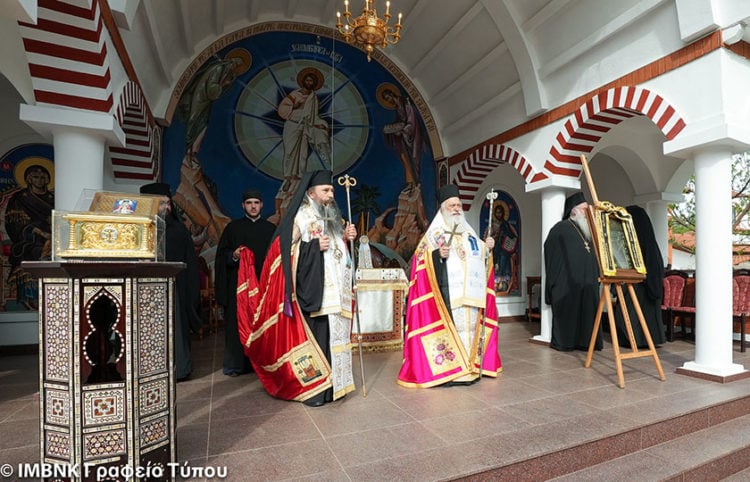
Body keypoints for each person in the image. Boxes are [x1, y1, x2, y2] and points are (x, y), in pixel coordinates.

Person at [236, 170, 357, 406]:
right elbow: (282, 253)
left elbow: (339, 253)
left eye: (332, 190)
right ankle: (315, 391)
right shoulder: (300, 217)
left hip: (336, 294)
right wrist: (311, 247)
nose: (331, 195)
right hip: (314, 291)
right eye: (326, 190)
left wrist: (347, 237)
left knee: (335, 340)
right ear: (311, 193)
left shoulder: (334, 218)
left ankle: (335, 387)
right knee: (319, 339)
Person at [397, 184, 502, 387]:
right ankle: (451, 370)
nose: (456, 209)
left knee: (470, 332)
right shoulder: (435, 234)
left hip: (470, 296)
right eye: (451, 205)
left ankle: (471, 366)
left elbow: (481, 257)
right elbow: (419, 261)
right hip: (447, 296)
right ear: (443, 208)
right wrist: (437, 255)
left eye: (458, 205)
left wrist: (487, 248)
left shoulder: (469, 234)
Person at [140, 182, 202, 381]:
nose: (166, 208)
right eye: (161, 203)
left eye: (168, 204)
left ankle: (179, 370)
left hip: (174, 290)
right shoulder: (136, 228)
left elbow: (190, 263)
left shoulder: (178, 230)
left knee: (175, 330)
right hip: (142, 292)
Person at [215, 189, 275, 377]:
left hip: (264, 287)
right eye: (249, 203)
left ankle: (264, 364)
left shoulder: (271, 229)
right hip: (239, 288)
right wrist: (233, 255)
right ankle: (236, 364)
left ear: (262, 205)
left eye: (256, 202)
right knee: (237, 323)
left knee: (263, 324)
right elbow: (220, 257)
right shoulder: (232, 229)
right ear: (243, 206)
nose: (253, 206)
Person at [544, 191, 602, 352]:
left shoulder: (587, 232)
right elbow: (551, 257)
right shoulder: (560, 230)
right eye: (584, 210)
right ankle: (565, 342)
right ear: (574, 211)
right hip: (566, 286)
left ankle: (587, 343)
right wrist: (554, 284)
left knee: (588, 314)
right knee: (570, 315)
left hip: (588, 284)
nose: (587, 214)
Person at [612, 205, 666, 347]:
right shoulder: (646, 242)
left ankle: (638, 340)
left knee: (633, 313)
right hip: (641, 283)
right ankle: (642, 339)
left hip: (640, 284)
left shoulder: (643, 243)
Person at [5, 164, 54, 309]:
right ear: (28, 179)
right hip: (28, 238)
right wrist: (39, 232)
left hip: (53, 236)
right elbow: (15, 224)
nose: (40, 180)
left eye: (43, 177)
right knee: (36, 251)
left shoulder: (53, 198)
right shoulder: (20, 199)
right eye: (36, 177)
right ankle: (30, 297)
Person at [277, 68, 331, 190]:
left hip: (306, 127)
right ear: (303, 81)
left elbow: (313, 116)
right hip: (293, 124)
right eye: (307, 80)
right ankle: (287, 178)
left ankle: (299, 177)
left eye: (311, 81)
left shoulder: (313, 98)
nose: (309, 82)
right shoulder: (295, 94)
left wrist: (321, 124)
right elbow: (283, 107)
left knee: (302, 153)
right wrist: (294, 106)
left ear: (314, 83)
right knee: (290, 152)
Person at [380, 85, 423, 188]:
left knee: (412, 158)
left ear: (392, 94)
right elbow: (400, 121)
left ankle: (415, 182)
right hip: (403, 138)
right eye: (386, 100)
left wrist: (403, 130)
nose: (389, 101)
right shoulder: (397, 107)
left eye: (388, 98)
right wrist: (395, 130)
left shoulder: (405, 102)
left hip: (412, 137)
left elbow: (411, 121)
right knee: (404, 158)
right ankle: (410, 182)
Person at [490, 202, 518, 293]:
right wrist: (495, 236)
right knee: (496, 265)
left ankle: (503, 282)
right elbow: (489, 238)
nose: (499, 214)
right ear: (494, 213)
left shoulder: (505, 224)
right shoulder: (492, 225)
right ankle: (495, 283)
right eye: (497, 212)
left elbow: (512, 236)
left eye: (500, 212)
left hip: (504, 250)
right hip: (495, 250)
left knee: (503, 262)